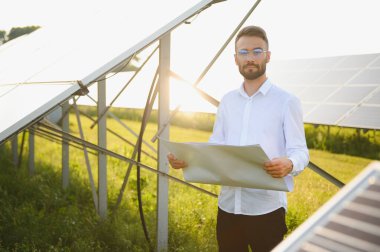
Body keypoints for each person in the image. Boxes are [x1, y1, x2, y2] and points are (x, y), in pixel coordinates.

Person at [167, 25, 309, 252]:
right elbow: (217, 146)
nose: (250, 58)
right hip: (228, 207)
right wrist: (188, 159)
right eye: (243, 52)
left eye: (257, 51)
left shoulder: (287, 101)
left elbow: (300, 151)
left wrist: (290, 163)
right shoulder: (227, 101)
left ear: (268, 56)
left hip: (267, 209)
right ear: (235, 59)